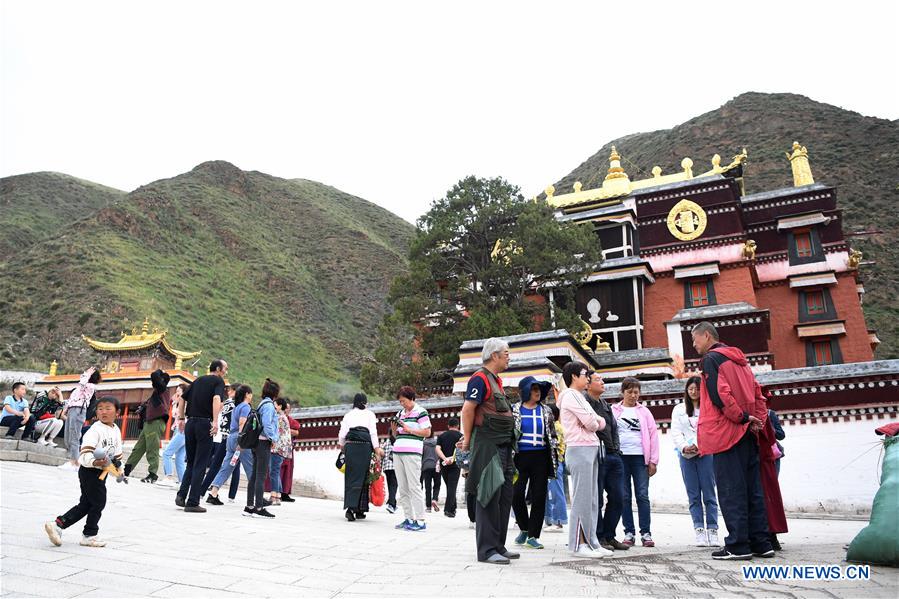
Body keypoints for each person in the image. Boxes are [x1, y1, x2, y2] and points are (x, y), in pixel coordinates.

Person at [692, 321, 773, 561]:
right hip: (749, 432)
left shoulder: (711, 360)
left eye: (695, 340)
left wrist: (740, 417)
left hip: (728, 432)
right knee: (752, 490)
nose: (694, 345)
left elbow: (720, 394)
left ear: (707, 336)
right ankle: (761, 542)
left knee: (731, 490)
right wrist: (755, 420)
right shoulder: (741, 361)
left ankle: (738, 545)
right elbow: (758, 394)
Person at [461, 338, 519, 565]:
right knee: (488, 493)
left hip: (504, 445)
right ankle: (486, 550)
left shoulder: (496, 380)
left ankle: (498, 545)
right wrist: (466, 441)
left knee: (505, 496)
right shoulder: (479, 379)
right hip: (487, 446)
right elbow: (468, 410)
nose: (509, 357)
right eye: (506, 353)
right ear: (494, 355)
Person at [44, 396, 123, 548]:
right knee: (99, 502)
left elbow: (117, 454)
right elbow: (85, 453)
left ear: (117, 412)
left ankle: (58, 525)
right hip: (89, 471)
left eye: (108, 408)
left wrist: (119, 469)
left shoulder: (116, 430)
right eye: (100, 409)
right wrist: (95, 462)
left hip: (102, 472)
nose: (103, 412)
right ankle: (90, 534)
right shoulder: (95, 430)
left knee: (87, 504)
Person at [559, 361, 611, 559]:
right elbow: (592, 421)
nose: (587, 377)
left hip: (590, 447)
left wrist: (596, 421)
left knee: (591, 499)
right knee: (582, 499)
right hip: (579, 448)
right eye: (584, 374)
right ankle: (578, 543)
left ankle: (592, 541)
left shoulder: (580, 397)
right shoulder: (570, 396)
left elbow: (599, 421)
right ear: (573, 376)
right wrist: (596, 421)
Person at [583, 373, 629, 551]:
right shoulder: (584, 403)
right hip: (596, 455)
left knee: (619, 497)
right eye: (598, 380)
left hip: (613, 455)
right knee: (597, 499)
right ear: (587, 384)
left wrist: (616, 450)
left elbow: (614, 429)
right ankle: (599, 536)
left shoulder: (605, 404)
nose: (602, 383)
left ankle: (610, 535)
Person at [671, 376, 719, 547]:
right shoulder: (679, 409)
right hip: (686, 456)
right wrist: (684, 447)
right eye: (690, 389)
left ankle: (712, 530)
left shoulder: (709, 407)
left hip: (706, 453)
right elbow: (675, 431)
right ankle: (699, 529)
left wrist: (699, 446)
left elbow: (712, 428)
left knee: (709, 493)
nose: (693, 392)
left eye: (697, 389)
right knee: (693, 495)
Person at [612, 377, 659, 548]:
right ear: (622, 392)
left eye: (636, 392)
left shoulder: (645, 412)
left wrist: (653, 461)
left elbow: (653, 436)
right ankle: (629, 533)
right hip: (621, 458)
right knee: (624, 496)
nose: (633, 395)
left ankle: (646, 533)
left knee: (642, 495)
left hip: (640, 458)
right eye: (629, 392)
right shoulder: (614, 410)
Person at [511, 376, 557, 550]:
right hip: (519, 457)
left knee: (539, 496)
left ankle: (533, 535)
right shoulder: (514, 409)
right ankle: (524, 527)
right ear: (525, 391)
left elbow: (552, 435)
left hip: (541, 457)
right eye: (533, 389)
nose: (537, 392)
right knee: (516, 494)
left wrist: (555, 458)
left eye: (539, 389)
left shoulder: (546, 411)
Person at [176, 360, 227, 513]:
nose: (226, 372)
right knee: (200, 463)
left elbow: (182, 399)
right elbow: (216, 399)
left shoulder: (198, 380)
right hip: (205, 424)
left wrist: (181, 418)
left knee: (191, 462)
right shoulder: (218, 381)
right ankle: (192, 502)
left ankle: (181, 495)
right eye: (225, 369)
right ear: (218, 369)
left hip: (191, 423)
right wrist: (216, 421)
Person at [206, 385, 255, 505]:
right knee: (251, 468)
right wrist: (242, 440)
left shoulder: (237, 407)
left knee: (226, 467)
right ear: (247, 394)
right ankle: (257, 496)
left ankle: (213, 492)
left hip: (230, 438)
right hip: (241, 439)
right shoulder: (245, 407)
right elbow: (242, 423)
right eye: (251, 393)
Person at [392, 386, 431, 531]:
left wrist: (410, 429)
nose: (402, 404)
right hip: (398, 451)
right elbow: (397, 435)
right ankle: (408, 518)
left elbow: (427, 432)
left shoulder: (421, 412)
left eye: (404, 401)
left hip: (412, 452)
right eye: (400, 402)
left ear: (412, 398)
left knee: (414, 486)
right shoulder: (400, 413)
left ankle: (420, 520)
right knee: (402, 487)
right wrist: (395, 430)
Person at [338, 392, 382, 521]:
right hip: (365, 448)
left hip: (351, 447)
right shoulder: (370, 414)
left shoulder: (348, 415)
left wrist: (342, 446)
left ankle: (351, 508)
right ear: (365, 402)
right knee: (363, 477)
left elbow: (342, 434)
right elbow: (373, 433)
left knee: (351, 477)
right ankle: (360, 509)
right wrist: (377, 449)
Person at [123, 370, 172, 484]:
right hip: (149, 423)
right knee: (138, 448)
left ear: (162, 380)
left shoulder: (162, 389)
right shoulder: (157, 393)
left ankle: (153, 474)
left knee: (152, 449)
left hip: (155, 423)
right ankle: (126, 470)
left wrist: (160, 372)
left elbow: (154, 375)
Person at [245, 379, 279, 518]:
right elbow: (267, 424)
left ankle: (249, 506)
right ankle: (259, 507)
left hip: (255, 442)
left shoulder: (261, 404)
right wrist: (273, 438)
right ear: (275, 393)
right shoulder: (269, 406)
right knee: (261, 475)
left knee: (254, 474)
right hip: (263, 442)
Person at [199, 384, 238, 498]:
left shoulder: (226, 403)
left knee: (215, 464)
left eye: (229, 390)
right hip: (233, 437)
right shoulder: (237, 405)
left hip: (224, 436)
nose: (228, 392)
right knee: (235, 467)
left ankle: (202, 490)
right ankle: (231, 495)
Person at [60, 367, 101, 468]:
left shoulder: (91, 386)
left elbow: (82, 382)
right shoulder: (79, 388)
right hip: (72, 409)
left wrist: (88, 373)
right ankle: (73, 461)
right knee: (68, 434)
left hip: (79, 410)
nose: (84, 373)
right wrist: (65, 409)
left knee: (74, 435)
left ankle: (75, 462)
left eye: (87, 372)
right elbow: (71, 400)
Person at [544, 404, 568, 532]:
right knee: (549, 492)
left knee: (556, 491)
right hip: (551, 463)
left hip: (555, 462)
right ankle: (550, 519)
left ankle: (558, 521)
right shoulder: (553, 426)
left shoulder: (556, 427)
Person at [159, 384, 187, 487]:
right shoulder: (179, 402)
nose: (177, 392)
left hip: (182, 430)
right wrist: (175, 402)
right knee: (179, 457)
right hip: (182, 430)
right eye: (177, 390)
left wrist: (178, 401)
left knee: (167, 453)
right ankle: (183, 482)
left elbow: (180, 415)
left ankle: (169, 477)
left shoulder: (184, 402)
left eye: (179, 390)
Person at [267, 397, 293, 506]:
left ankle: (273, 495)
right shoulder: (284, 417)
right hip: (283, 449)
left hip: (277, 447)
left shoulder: (279, 418)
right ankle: (277, 496)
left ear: (280, 406)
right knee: (276, 471)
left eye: (275, 405)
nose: (273, 407)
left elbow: (273, 430)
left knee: (273, 471)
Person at [436, 417, 463, 518]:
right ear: (457, 426)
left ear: (448, 426)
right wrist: (452, 458)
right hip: (455, 464)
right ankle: (448, 510)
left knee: (449, 486)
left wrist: (444, 459)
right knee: (452, 487)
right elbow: (463, 450)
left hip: (444, 464)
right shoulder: (461, 436)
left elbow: (437, 448)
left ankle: (453, 508)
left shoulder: (442, 436)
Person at [421, 435, 442, 513]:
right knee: (437, 484)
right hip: (436, 466)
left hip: (426, 466)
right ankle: (435, 499)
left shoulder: (423, 444)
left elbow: (421, 455)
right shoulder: (437, 443)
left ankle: (428, 507)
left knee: (428, 487)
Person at [380, 433, 398, 514]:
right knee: (394, 486)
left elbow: (382, 455)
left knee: (390, 485)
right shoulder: (398, 442)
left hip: (387, 468)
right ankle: (391, 504)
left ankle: (392, 502)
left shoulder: (386, 443)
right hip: (396, 467)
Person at [769, 408, 785, 476]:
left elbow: (781, 435)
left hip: (773, 453)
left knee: (773, 483)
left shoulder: (770, 414)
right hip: (757, 454)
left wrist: (771, 430)